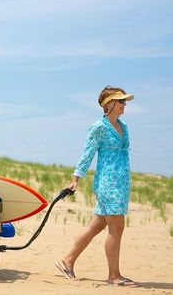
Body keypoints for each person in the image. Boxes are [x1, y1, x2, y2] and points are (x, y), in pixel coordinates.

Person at [55, 86, 140, 287]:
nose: (124, 105)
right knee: (117, 227)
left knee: (98, 224)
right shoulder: (98, 127)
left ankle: (67, 260)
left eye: (125, 101)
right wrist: (76, 179)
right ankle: (114, 276)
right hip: (107, 183)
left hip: (121, 183)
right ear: (109, 104)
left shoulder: (123, 126)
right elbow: (87, 154)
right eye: (121, 101)